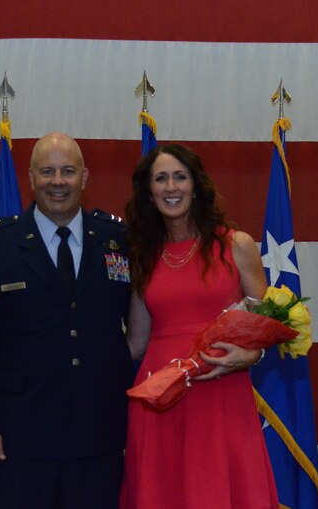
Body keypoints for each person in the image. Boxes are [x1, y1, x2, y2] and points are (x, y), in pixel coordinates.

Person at [0, 132, 133, 508]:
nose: (58, 182)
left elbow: (140, 326)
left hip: (98, 434)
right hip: (19, 438)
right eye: (47, 171)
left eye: (68, 171)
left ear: (84, 178)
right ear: (31, 177)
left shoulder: (118, 241)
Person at [120, 144, 279, 508]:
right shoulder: (142, 255)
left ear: (196, 185)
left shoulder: (237, 245)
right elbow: (137, 342)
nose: (171, 187)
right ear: (149, 192)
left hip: (220, 394)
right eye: (161, 179)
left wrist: (251, 355)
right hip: (159, 402)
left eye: (180, 177)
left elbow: (267, 326)